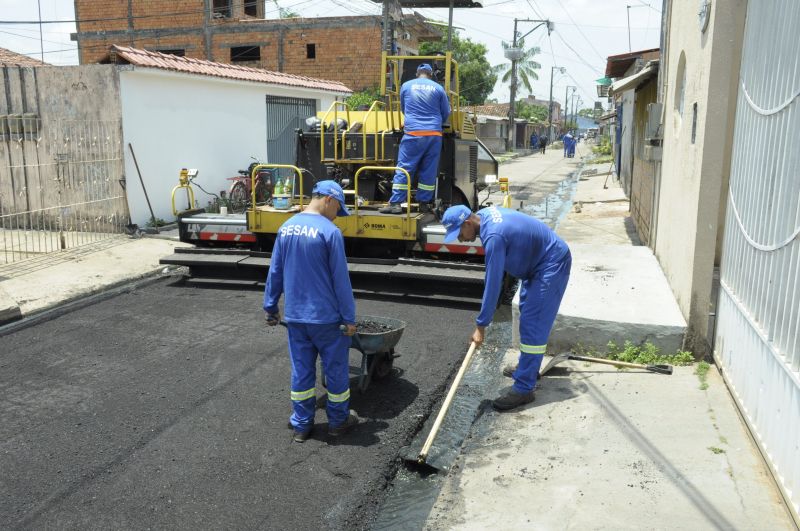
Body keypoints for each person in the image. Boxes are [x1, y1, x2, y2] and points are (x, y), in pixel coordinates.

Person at [440, 204, 572, 411]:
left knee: (533, 324)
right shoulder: (483, 216)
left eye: (459, 233)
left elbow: (493, 284)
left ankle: (524, 389)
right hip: (536, 263)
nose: (460, 239)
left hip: (550, 264)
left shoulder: (494, 236)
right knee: (526, 314)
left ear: (467, 223)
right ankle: (527, 368)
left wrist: (481, 325)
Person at [264, 180, 359, 442]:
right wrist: (349, 318)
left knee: (302, 371)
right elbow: (341, 280)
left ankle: (302, 425)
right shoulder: (330, 232)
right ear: (329, 199)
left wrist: (271, 307)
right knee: (336, 370)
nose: (337, 215)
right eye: (338, 208)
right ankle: (338, 422)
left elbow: (275, 272)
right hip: (327, 320)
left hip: (296, 318)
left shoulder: (286, 228)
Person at [380, 63, 450, 214]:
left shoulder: (406, 85)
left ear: (418, 73)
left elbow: (404, 109)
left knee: (405, 167)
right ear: (431, 75)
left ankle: (396, 203)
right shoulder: (438, 88)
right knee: (429, 169)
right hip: (434, 135)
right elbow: (446, 112)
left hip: (413, 133)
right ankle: (424, 203)